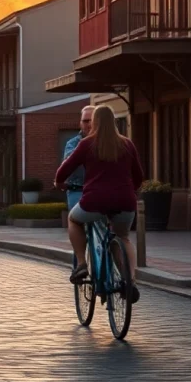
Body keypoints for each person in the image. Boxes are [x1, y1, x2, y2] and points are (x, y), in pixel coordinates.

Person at [55, 105, 144, 303]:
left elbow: (64, 170)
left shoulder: (86, 144)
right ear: (114, 122)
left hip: (94, 201)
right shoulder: (127, 144)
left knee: (73, 220)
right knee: (123, 237)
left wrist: (59, 183)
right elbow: (138, 177)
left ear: (94, 122)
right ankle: (130, 280)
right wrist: (131, 189)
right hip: (125, 202)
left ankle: (81, 264)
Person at [62, 106, 95, 211]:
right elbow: (69, 163)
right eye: (85, 121)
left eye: (92, 120)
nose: (89, 124)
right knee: (75, 220)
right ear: (80, 124)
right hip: (78, 190)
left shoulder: (110, 142)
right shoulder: (72, 144)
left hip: (101, 191)